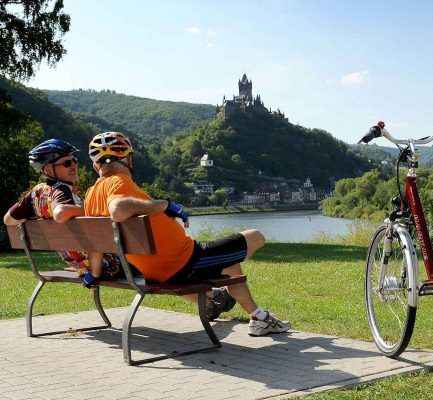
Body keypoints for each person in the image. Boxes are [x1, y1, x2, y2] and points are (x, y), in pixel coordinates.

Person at [82, 132, 289, 335]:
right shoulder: (119, 182)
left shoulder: (91, 195)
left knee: (229, 261)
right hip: (186, 261)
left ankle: (249, 313)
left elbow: (96, 241)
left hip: (154, 271)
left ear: (95, 165)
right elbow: (118, 209)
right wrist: (165, 205)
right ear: (128, 159)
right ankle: (257, 317)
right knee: (255, 236)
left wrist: (95, 274)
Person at [3, 139, 122, 282]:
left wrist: (39, 216)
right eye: (67, 163)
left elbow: (8, 220)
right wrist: (94, 208)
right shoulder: (61, 189)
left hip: (81, 267)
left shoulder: (35, 194)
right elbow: (60, 213)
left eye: (74, 160)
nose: (74, 165)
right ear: (47, 169)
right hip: (106, 266)